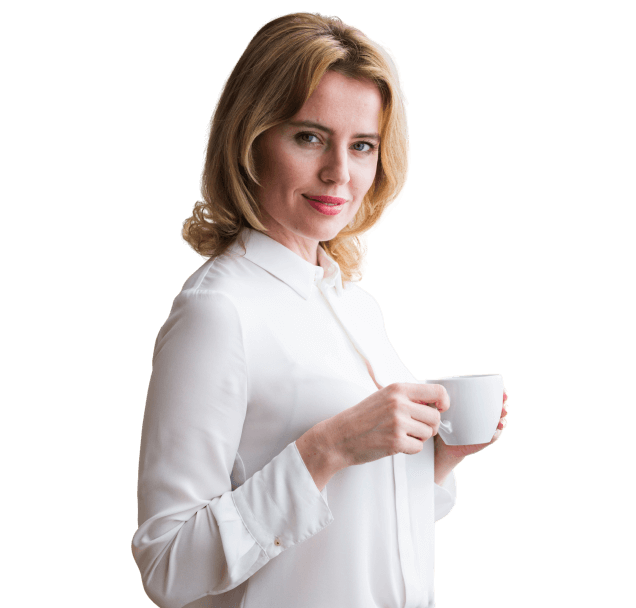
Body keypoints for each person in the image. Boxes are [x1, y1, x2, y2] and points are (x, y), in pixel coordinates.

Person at [131, 11, 509, 608]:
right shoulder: (217, 312)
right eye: (309, 137)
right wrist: (326, 448)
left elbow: (357, 530)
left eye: (362, 146)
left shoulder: (357, 307)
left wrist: (437, 461)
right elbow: (167, 567)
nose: (339, 173)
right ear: (250, 140)